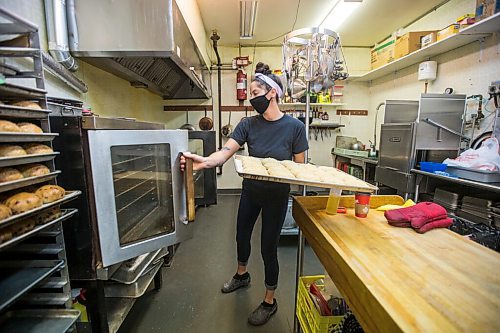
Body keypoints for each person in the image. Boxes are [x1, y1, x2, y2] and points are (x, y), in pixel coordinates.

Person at [181, 62, 308, 326]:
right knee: (241, 235)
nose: (251, 98)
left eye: (255, 92)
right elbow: (225, 153)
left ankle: (270, 301)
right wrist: (203, 161)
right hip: (251, 190)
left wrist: (282, 170)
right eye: (250, 93)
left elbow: (301, 167)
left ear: (272, 92)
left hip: (276, 194)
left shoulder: (295, 127)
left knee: (268, 247)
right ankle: (242, 275)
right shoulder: (248, 124)